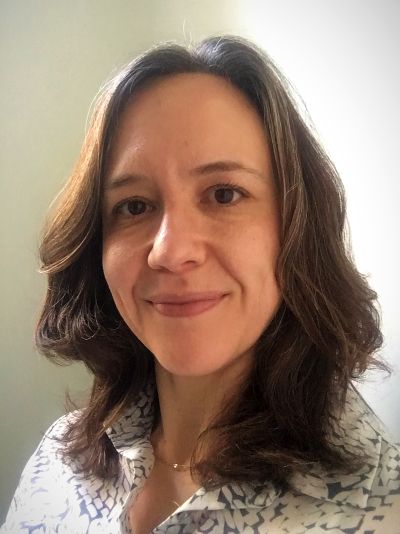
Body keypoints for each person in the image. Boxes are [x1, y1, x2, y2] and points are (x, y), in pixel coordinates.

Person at [2, 34, 399, 534]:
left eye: (224, 194)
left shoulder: (381, 508)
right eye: (135, 206)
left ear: (297, 227)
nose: (170, 250)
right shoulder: (56, 463)